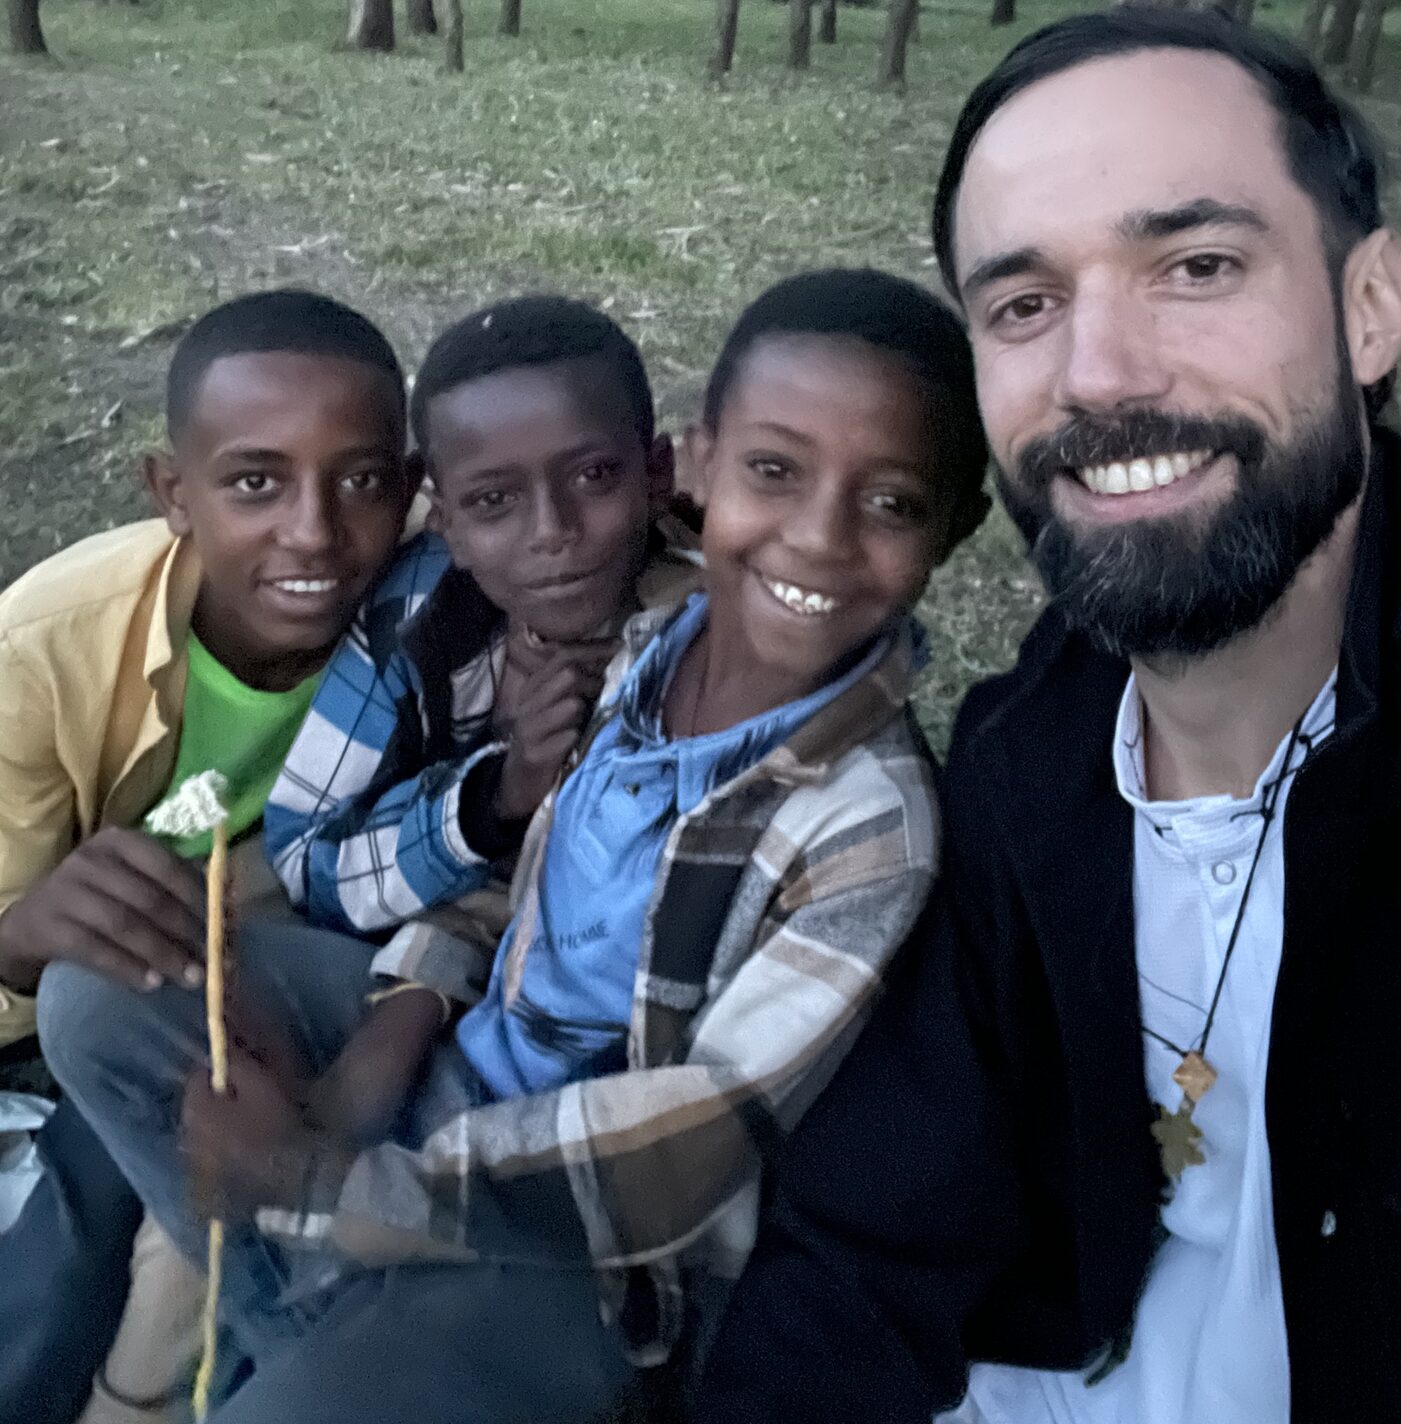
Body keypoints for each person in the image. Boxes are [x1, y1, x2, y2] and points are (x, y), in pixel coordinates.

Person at [696, 7, 1401, 1424]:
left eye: (1196, 266)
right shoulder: (1032, 753)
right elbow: (865, 1252)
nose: (1100, 375)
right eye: (1024, 304)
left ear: (1370, 308)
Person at [37, 268, 990, 1424]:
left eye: (890, 503)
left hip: (586, 1246)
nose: (821, 538)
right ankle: (337, 1318)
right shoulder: (655, 642)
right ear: (700, 466)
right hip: (463, 1065)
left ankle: (342, 1325)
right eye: (775, 472)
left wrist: (315, 1178)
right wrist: (399, 1019)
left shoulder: (871, 825)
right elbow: (531, 883)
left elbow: (703, 1133)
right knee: (96, 996)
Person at [0, 289, 425, 1424]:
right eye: (253, 482)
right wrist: (22, 934)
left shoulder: (440, 607)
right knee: (87, 1220)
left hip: (293, 983)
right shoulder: (44, 649)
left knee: (195, 1191)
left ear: (415, 483)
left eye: (364, 480)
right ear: (169, 492)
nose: (315, 533)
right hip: (96, 1018)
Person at [265, 294, 688, 1142]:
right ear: (444, 520)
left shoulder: (709, 639)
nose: (553, 533)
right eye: (493, 501)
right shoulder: (417, 614)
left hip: (611, 1044)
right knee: (101, 1005)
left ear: (658, 475)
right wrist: (495, 794)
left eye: (595, 476)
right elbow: (304, 858)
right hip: (409, 959)